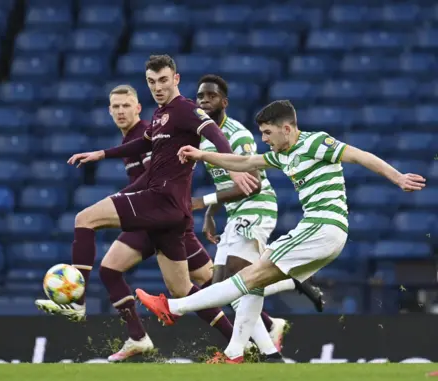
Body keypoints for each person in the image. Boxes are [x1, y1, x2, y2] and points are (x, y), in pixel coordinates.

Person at [136, 99, 426, 363]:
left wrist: (398, 177)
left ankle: (174, 307)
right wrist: (202, 155)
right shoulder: (282, 154)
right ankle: (236, 352)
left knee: (245, 278)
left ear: (286, 129)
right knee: (254, 283)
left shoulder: (317, 142)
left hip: (321, 226)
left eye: (267, 133)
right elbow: (244, 161)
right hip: (325, 233)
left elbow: (360, 156)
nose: (263, 139)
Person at [64, 54, 258, 352]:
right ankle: (240, 345)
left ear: (176, 79)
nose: (158, 87)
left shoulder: (186, 109)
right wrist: (102, 154)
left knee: (84, 219)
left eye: (164, 80)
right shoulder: (161, 114)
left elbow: (214, 133)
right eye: (151, 82)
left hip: (160, 200)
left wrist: (232, 165)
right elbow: (146, 142)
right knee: (183, 290)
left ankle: (76, 302)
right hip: (173, 213)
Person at [36, 84, 236, 362]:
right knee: (177, 286)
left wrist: (119, 196)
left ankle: (78, 301)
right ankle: (143, 337)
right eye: (115, 107)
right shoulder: (133, 139)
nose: (120, 111)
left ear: (138, 108)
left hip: (160, 213)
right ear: (108, 110)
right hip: (157, 218)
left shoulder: (152, 129)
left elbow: (155, 177)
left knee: (209, 279)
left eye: (125, 106)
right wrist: (103, 155)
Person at [190, 75, 325, 360]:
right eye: (200, 96)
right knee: (223, 287)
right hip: (234, 213)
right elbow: (224, 181)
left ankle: (237, 351)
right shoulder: (203, 136)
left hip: (256, 208)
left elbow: (251, 182)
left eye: (211, 96)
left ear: (223, 102)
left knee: (238, 282)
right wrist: (212, 213)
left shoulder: (236, 135)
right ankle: (270, 350)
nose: (204, 100)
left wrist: (203, 203)